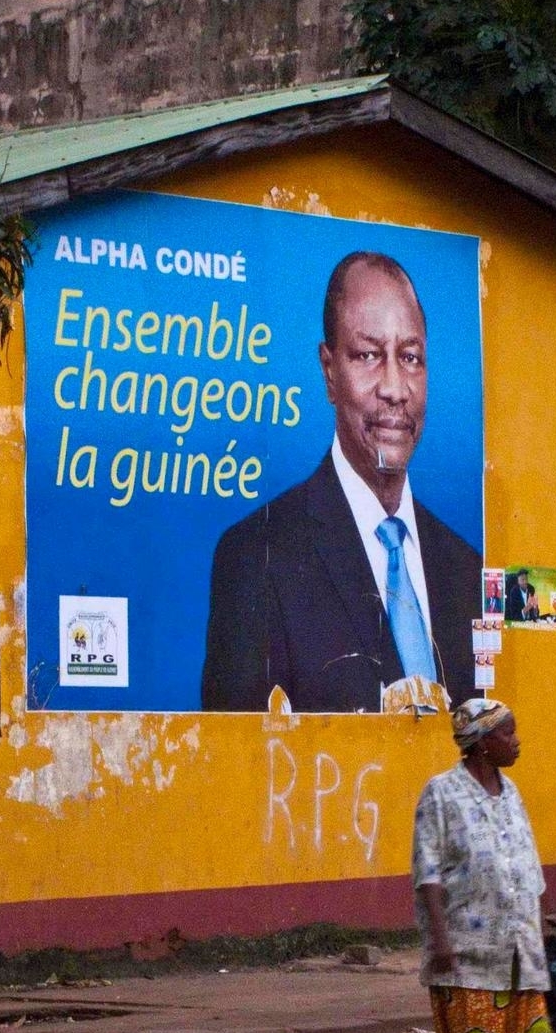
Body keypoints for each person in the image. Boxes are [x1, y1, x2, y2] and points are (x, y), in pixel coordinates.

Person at [202, 250, 482, 713]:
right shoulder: (257, 556)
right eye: (369, 355)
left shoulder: (466, 570)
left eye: (411, 357)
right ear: (329, 372)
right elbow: (242, 765)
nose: (395, 387)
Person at [412, 697, 556, 1033]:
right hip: (467, 954)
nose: (516, 741)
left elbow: (528, 868)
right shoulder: (440, 794)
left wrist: (543, 933)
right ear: (480, 744)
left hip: (520, 948)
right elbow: (428, 873)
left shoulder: (511, 792)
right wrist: (440, 942)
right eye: (507, 733)